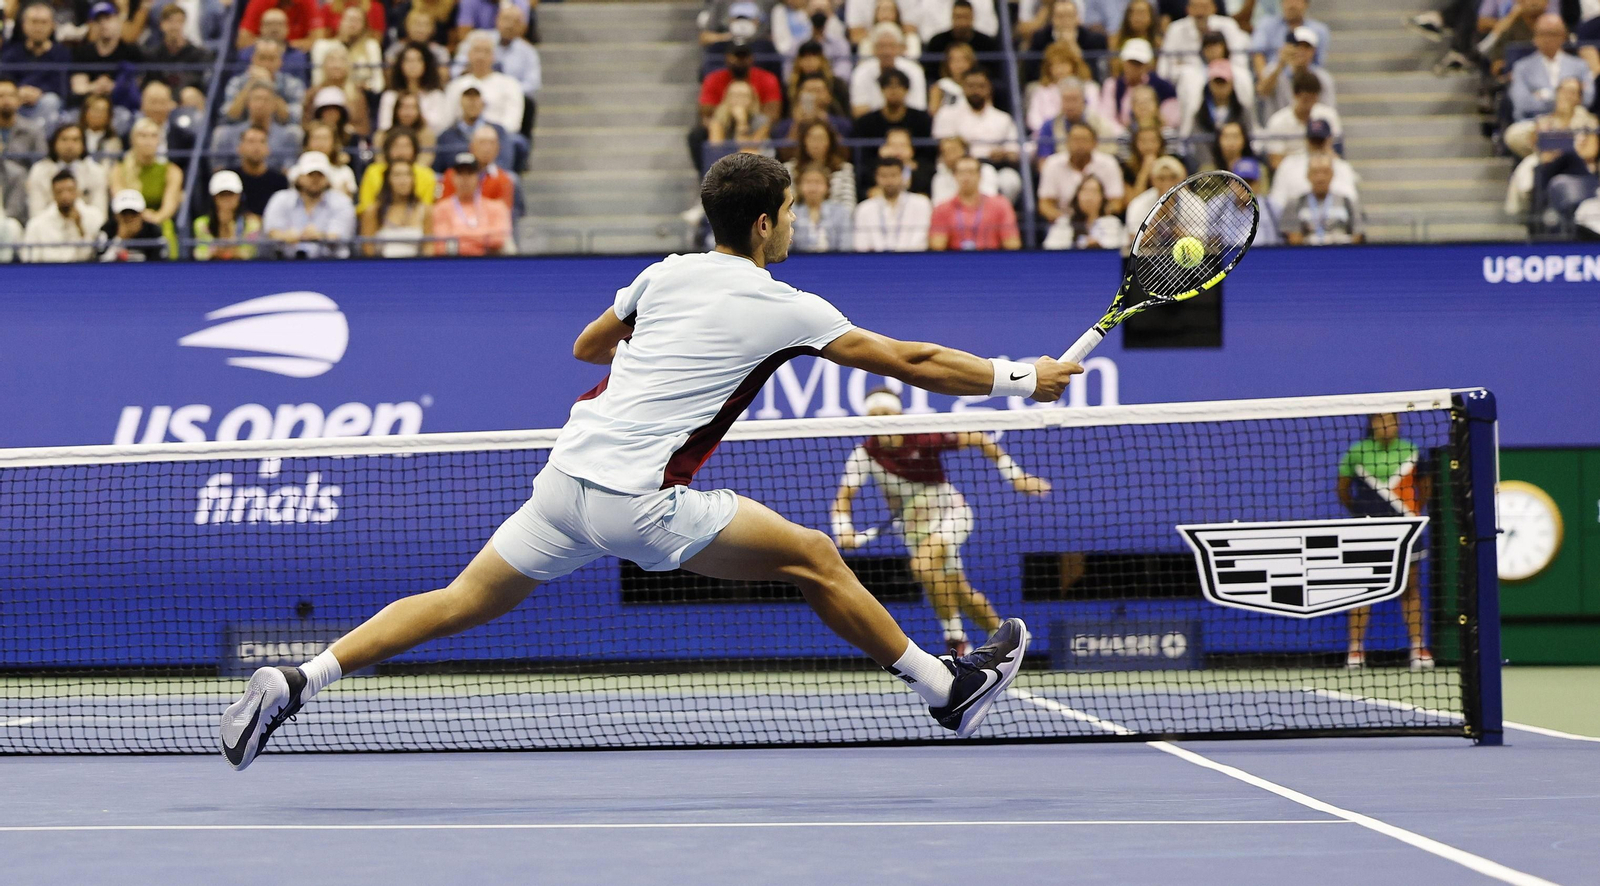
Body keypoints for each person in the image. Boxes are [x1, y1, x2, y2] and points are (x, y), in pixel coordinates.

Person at [218, 151, 1079, 770]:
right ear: (767, 222)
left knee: (458, 601)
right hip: (641, 497)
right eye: (789, 214)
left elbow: (590, 344)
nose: (793, 227)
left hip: (565, 482)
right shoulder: (785, 304)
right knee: (817, 559)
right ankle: (947, 692)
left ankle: (301, 677)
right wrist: (1022, 376)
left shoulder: (663, 275)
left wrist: (657, 353)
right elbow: (913, 362)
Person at [833, 388, 1050, 657]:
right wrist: (843, 529)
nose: (882, 421)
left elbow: (978, 439)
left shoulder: (923, 436)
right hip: (914, 529)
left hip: (951, 513)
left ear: (899, 415)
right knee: (958, 591)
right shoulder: (865, 454)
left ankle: (956, 641)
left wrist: (1015, 477)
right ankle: (1010, 639)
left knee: (923, 565)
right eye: (875, 416)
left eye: (887, 414)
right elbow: (844, 498)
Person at [1338, 413, 1433, 671]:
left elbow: (1425, 486)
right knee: (1361, 590)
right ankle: (1355, 651)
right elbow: (1344, 489)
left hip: (1406, 531)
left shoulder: (1411, 451)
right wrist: (1361, 514)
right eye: (1381, 421)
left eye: (1392, 421)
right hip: (1367, 531)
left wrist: (1410, 514)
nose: (1387, 426)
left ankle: (1419, 648)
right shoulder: (1357, 453)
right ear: (1372, 425)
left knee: (1410, 589)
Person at [931, 69, 1020, 200]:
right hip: (955, 168)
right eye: (971, 86)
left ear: (989, 88)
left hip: (993, 166)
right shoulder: (947, 114)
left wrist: (1004, 153)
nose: (976, 90)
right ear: (962, 87)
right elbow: (942, 147)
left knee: (1010, 180)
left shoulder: (1003, 118)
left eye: (981, 86)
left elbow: (1015, 151)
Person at [262, 150, 357, 258]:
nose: (315, 179)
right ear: (299, 177)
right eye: (310, 175)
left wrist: (321, 236)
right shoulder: (280, 199)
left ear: (327, 178)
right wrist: (285, 236)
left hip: (332, 265)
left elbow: (340, 235)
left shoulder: (342, 202)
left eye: (320, 175)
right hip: (287, 264)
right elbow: (272, 232)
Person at [1038, 121, 1125, 230]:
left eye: (1084, 140)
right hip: (1064, 223)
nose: (1079, 144)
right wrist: (1066, 220)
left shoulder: (1109, 163)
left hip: (1102, 223)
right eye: (1075, 139)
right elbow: (1045, 204)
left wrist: (1095, 218)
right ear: (1067, 142)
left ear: (1094, 143)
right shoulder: (1052, 163)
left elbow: (1116, 202)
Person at [1509, 14, 1592, 121]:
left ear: (1563, 36)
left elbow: (1588, 98)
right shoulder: (1521, 67)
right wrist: (1566, 98)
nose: (1548, 39)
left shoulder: (1580, 65)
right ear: (1535, 37)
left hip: (1573, 122)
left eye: (1553, 34)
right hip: (1533, 122)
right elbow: (1522, 102)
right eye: (1543, 34)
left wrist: (1544, 95)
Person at [928, 155, 1020, 250]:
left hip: (990, 259)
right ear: (954, 176)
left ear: (980, 175)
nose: (966, 177)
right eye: (962, 172)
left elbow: (1012, 244)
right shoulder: (942, 209)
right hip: (955, 261)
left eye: (971, 172)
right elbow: (937, 247)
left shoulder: (1000, 205)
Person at [109, 117, 181, 237]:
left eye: (153, 136)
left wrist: (155, 218)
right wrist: (138, 217)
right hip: (127, 222)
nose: (148, 141)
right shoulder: (118, 169)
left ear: (159, 140)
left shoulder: (172, 171)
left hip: (158, 224)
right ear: (133, 140)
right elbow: (119, 198)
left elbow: (169, 207)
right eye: (142, 136)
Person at [431, 150, 512, 255]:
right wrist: (483, 239)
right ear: (453, 177)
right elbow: (440, 245)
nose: (465, 179)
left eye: (470, 174)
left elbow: (499, 239)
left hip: (488, 262)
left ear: (478, 178)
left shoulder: (496, 207)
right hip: (454, 264)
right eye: (460, 174)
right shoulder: (441, 209)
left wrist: (459, 236)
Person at [0, 2, 72, 119]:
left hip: (45, 104)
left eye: (43, 22)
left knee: (51, 101)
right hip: (17, 101)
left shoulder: (62, 53)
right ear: (23, 25)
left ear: (53, 25)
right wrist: (18, 91)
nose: (38, 28)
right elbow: (5, 78)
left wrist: (40, 92)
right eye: (34, 22)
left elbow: (63, 86)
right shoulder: (11, 52)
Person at [70, 3, 143, 111]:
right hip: (88, 108)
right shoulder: (83, 52)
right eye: (98, 21)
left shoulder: (131, 52)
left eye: (108, 19)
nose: (103, 24)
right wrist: (96, 86)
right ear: (92, 25)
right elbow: (78, 87)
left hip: (122, 107)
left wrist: (115, 86)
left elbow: (138, 84)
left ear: (117, 20)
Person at [28, 123, 108, 220]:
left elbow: (100, 214)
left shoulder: (96, 172)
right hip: (49, 228)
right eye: (64, 139)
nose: (69, 145)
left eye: (75, 140)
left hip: (85, 228)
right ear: (54, 143)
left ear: (83, 145)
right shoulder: (39, 171)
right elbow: (36, 213)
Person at [1261, 70, 1340, 168]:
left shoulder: (1328, 116)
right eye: (1306, 99)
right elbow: (1275, 160)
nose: (1309, 105)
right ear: (1295, 95)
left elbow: (1336, 152)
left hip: (1321, 169)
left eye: (1313, 98)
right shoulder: (1277, 121)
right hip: (1290, 172)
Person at [853, 156, 933, 250]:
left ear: (903, 176)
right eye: (884, 176)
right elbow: (860, 245)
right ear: (876, 178)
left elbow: (922, 241)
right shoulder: (864, 209)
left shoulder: (921, 204)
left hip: (912, 260)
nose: (889, 181)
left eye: (894, 175)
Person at [23, 169, 104, 261]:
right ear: (53, 194)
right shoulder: (37, 224)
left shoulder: (94, 217)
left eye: (70, 190)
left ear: (77, 192)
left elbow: (98, 256)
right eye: (60, 191)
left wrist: (80, 228)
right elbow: (29, 261)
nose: (65, 196)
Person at [223, 38, 307, 125]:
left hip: (279, 131)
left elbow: (290, 118)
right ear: (253, 59)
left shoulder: (292, 84)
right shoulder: (237, 82)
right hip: (243, 130)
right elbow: (230, 116)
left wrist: (269, 83)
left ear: (280, 62)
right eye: (262, 58)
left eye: (271, 59)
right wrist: (250, 84)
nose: (266, 64)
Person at [850, 23, 928, 117]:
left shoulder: (914, 71)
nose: (886, 52)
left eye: (891, 46)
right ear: (873, 49)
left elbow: (918, 109)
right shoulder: (861, 71)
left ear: (900, 48)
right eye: (881, 46)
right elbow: (858, 111)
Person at [1255, 26, 1333, 120]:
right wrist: (1281, 64)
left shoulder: (1322, 78)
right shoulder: (1273, 70)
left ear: (1313, 51)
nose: (1301, 51)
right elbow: (1262, 92)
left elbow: (1328, 110)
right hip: (1277, 130)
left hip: (1313, 130)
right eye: (1296, 46)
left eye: (1306, 47)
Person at [1284, 153, 1364, 245]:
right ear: (1308, 175)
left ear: (1332, 174)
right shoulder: (1295, 203)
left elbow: (1358, 234)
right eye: (1315, 172)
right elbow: (1293, 239)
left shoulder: (1347, 202)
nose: (1320, 178)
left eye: (1325, 172)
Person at [360, 157, 432, 257]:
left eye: (408, 175)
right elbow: (368, 250)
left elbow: (429, 248)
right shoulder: (373, 211)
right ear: (387, 179)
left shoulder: (425, 210)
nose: (403, 180)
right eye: (397, 175)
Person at [1100, 38, 1177, 129]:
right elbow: (1107, 118)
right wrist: (1126, 136)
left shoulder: (1164, 87)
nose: (1134, 67)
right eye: (1131, 62)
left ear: (1148, 65)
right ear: (1123, 62)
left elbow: (1172, 119)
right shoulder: (1112, 85)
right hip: (1122, 136)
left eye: (1139, 63)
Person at [357, 127, 437, 214]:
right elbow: (365, 206)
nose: (401, 151)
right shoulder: (373, 171)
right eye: (396, 146)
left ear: (414, 150)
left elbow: (427, 208)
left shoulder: (426, 174)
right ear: (387, 149)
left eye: (406, 146)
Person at [1027, 0, 1110, 82]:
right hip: (1049, 85)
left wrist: (1075, 49)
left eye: (1069, 16)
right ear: (1052, 19)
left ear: (1077, 18)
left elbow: (1097, 76)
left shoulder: (1094, 39)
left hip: (1082, 84)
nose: (1065, 21)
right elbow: (1033, 74)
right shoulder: (1040, 38)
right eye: (1060, 16)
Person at [144, 4, 213, 100]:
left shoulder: (198, 54)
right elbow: (149, 82)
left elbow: (198, 82)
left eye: (179, 21)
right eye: (170, 21)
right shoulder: (153, 54)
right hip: (161, 100)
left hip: (186, 99)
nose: (174, 26)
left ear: (184, 23)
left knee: (189, 94)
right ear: (161, 24)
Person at [380, 43, 451, 135]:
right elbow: (385, 125)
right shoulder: (390, 96)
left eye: (418, 60)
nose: (413, 65)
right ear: (400, 64)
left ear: (425, 64)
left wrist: (416, 118)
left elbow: (441, 126)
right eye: (408, 60)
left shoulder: (436, 95)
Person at [313, 5, 385, 96]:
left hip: (364, 95)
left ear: (364, 25)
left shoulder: (371, 46)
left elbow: (378, 83)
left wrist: (368, 87)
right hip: (330, 93)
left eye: (358, 20)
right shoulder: (323, 46)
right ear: (340, 21)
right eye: (349, 19)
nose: (353, 24)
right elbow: (317, 80)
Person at [782, 119, 855, 208]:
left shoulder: (844, 168)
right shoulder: (789, 169)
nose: (816, 144)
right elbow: (786, 205)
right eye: (812, 138)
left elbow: (849, 205)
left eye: (821, 138)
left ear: (830, 141)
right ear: (804, 141)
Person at [924, 0, 1001, 83]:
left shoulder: (986, 43)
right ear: (952, 17)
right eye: (958, 17)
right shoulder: (937, 42)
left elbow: (993, 74)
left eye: (965, 17)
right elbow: (930, 74)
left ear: (972, 17)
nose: (962, 22)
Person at [439, 124, 514, 209]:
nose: (487, 148)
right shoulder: (452, 175)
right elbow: (442, 208)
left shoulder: (503, 180)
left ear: (498, 148)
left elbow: (503, 213)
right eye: (482, 143)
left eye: (491, 143)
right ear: (471, 146)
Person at [193, 169, 261, 260]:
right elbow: (201, 255)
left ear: (239, 196)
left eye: (231, 194)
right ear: (214, 198)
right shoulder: (201, 224)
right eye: (222, 195)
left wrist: (229, 228)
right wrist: (222, 227)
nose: (227, 199)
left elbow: (247, 255)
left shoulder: (251, 224)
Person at [852, 68, 933, 144]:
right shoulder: (866, 123)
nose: (894, 91)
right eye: (889, 86)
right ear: (881, 90)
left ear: (906, 90)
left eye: (898, 86)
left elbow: (927, 153)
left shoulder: (922, 120)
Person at [1049, 173, 1126, 249]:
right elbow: (1051, 250)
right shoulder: (1064, 223)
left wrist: (1097, 245)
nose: (1089, 197)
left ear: (1102, 197)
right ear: (1077, 196)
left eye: (1094, 191)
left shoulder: (1112, 223)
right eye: (1085, 191)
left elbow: (1119, 249)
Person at [790, 162, 852, 251]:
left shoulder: (841, 212)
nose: (813, 188)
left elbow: (846, 247)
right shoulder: (791, 212)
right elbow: (786, 248)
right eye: (808, 182)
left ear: (827, 186)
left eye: (818, 182)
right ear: (799, 186)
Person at [232, 125, 292, 216]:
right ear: (239, 148)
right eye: (251, 141)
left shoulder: (279, 180)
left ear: (268, 149)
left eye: (262, 142)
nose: (257, 147)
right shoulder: (230, 177)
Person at [96, 187, 166, 260]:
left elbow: (159, 264)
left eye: (134, 213)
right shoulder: (107, 230)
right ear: (116, 216)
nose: (129, 218)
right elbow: (100, 263)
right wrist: (119, 238)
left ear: (141, 214)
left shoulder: (153, 232)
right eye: (124, 213)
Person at [1122, 153, 1183, 230]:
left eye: (1172, 177)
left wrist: (1171, 221)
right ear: (1153, 180)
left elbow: (1200, 238)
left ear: (1180, 179)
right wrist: (1159, 216)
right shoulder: (1139, 203)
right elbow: (1134, 239)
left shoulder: (1194, 202)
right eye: (1161, 178)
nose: (1167, 183)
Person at [929, 135, 997, 205]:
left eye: (953, 150)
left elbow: (990, 201)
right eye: (944, 152)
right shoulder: (939, 178)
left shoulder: (986, 170)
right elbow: (939, 205)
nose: (949, 156)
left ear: (965, 151)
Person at [1230, 156, 1278, 246]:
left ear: (1258, 184)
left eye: (1249, 182)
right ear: (1232, 183)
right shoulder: (1217, 207)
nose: (1245, 187)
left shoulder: (1274, 208)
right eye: (1240, 182)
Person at [851, 0, 921, 60]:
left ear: (896, 12)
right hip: (874, 63)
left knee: (913, 39)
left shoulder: (906, 37)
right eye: (882, 10)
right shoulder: (868, 40)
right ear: (876, 13)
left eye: (889, 9)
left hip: (901, 62)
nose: (886, 14)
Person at [0, 79, 49, 161]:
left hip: (25, 173)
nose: (6, 101)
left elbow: (41, 162)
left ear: (19, 100)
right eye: (1, 96)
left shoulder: (34, 130)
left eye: (11, 96)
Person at [928, 41, 977, 113]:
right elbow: (933, 111)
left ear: (971, 62)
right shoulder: (940, 86)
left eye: (963, 60)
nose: (959, 65)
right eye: (955, 60)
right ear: (947, 63)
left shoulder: (978, 86)